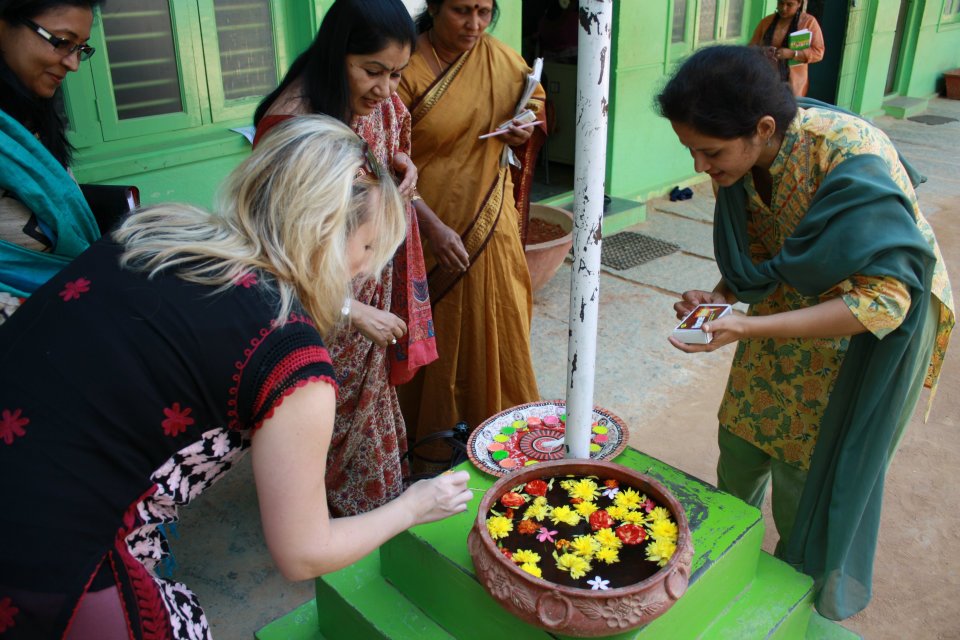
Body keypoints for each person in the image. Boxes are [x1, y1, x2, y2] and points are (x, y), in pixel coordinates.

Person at [0, 116, 472, 640]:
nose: (365, 272)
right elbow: (303, 552)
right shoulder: (291, 359)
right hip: (46, 562)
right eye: (366, 250)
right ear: (322, 236)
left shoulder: (150, 233)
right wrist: (414, 504)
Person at [656, 45, 954, 620]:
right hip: (787, 309)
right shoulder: (742, 159)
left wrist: (746, 325)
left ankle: (790, 594)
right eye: (691, 150)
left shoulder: (848, 156)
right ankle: (722, 549)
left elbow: (885, 300)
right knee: (741, 440)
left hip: (865, 329)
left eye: (709, 152)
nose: (700, 168)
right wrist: (722, 299)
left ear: (763, 128)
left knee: (806, 468)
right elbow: (765, 248)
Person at [253, 0, 450, 514]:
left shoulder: (363, 99)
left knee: (366, 415)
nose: (386, 89)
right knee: (314, 415)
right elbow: (273, 250)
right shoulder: (291, 126)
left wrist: (398, 168)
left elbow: (386, 149)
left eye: (397, 74)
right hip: (317, 309)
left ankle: (365, 514)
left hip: (362, 289)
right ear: (337, 54)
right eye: (373, 71)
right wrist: (349, 310)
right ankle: (315, 524)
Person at [396, 0, 546, 461]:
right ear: (435, 7)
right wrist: (431, 227)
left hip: (490, 218)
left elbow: (534, 99)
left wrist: (526, 124)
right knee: (427, 332)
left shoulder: (501, 58)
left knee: (497, 317)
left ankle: (500, 435)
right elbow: (381, 158)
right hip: (419, 224)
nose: (474, 24)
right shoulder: (404, 67)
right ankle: (427, 446)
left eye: (484, 11)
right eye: (462, 11)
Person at [0, 0, 102, 324]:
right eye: (61, 41)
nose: (73, 64)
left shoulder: (33, 119)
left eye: (81, 48)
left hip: (66, 302)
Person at [749, 0, 824, 97]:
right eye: (781, 3)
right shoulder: (766, 22)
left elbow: (818, 52)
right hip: (766, 79)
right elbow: (751, 48)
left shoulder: (808, 22)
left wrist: (793, 53)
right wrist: (763, 51)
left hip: (793, 84)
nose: (784, 8)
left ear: (799, 4)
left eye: (789, 4)